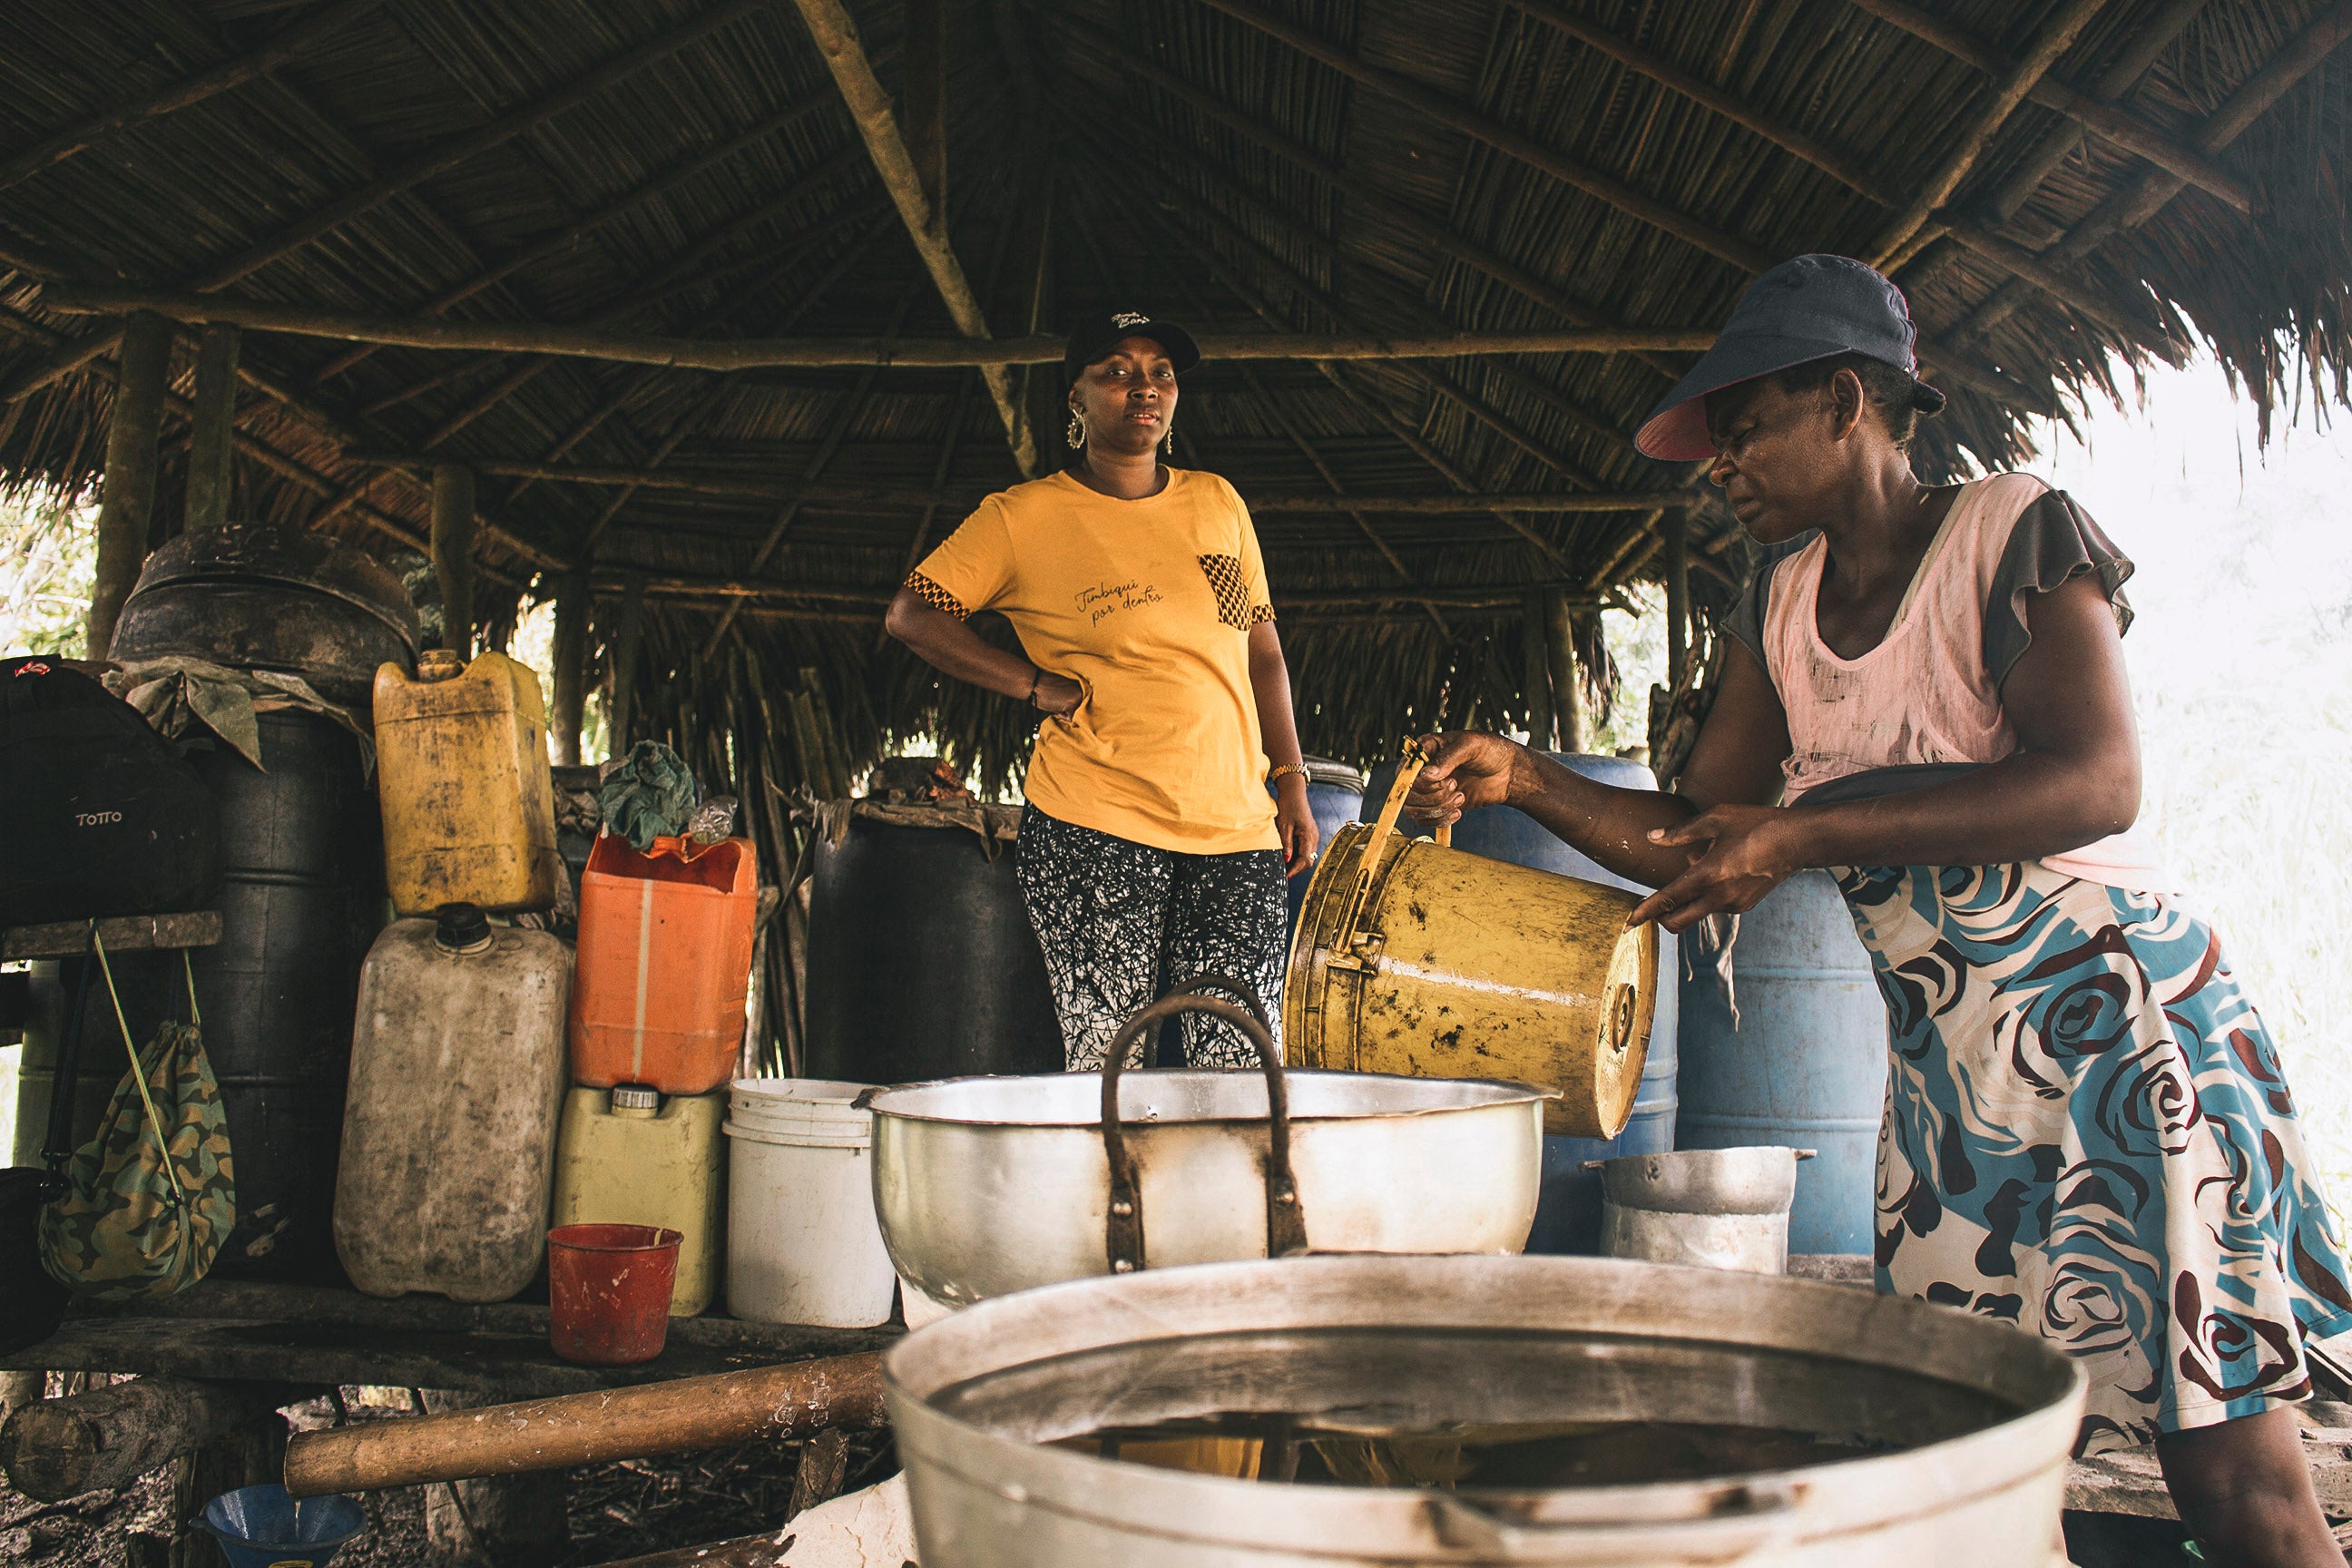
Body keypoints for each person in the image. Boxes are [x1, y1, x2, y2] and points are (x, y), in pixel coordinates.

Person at [1407, 254, 2352, 1566]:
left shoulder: (2011, 530)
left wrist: (1807, 832)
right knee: (1965, 1476)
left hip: (2118, 1043)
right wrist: (1526, 778)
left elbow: (2098, 781)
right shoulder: (1779, 605)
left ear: (1846, 401)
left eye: (1745, 425)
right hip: (1952, 1090)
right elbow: (1706, 832)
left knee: (2232, 1480)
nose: (1721, 464)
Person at [885, 309, 1317, 1071]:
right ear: (1076, 400)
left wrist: (1292, 783)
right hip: (1096, 824)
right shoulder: (1023, 518)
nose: (1142, 387)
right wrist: (1030, 683)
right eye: (1116, 371)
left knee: (1244, 1069)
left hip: (1237, 830)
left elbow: (1264, 653)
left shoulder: (1217, 502)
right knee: (1112, 1063)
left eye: (1160, 373)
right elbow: (913, 615)